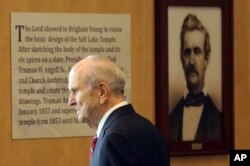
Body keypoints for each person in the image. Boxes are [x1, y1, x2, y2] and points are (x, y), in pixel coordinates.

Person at [68, 55, 170, 166]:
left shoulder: (113, 139)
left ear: (102, 92)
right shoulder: (149, 129)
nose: (70, 101)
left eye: (75, 91)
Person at [169, 14, 222, 142]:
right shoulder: (169, 120)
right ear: (182, 59)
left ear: (207, 59)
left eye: (197, 51)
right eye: (187, 52)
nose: (192, 61)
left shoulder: (220, 121)